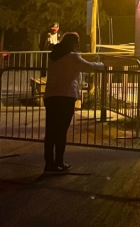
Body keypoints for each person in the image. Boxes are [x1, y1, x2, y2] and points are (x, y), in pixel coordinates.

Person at [42, 32, 105, 173]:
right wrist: (102, 65)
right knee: (61, 131)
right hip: (66, 96)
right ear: (74, 44)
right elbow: (88, 66)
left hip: (51, 96)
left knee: (51, 131)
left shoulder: (53, 55)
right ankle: (59, 162)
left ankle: (49, 164)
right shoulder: (72, 56)